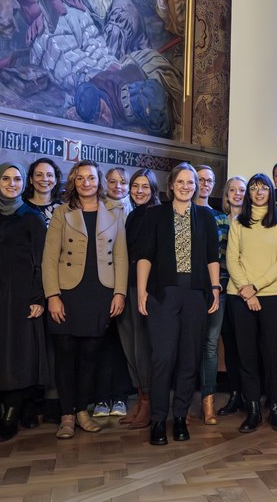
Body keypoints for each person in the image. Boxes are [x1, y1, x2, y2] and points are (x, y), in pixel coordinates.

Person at [135, 163, 222, 445]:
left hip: (196, 295)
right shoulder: (155, 215)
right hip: (163, 294)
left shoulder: (206, 217)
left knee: (189, 359)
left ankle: (181, 417)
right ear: (171, 185)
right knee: (163, 358)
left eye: (191, 182)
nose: (186, 186)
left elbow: (212, 257)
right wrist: (141, 290)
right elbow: (145, 256)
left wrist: (216, 288)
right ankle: (159, 420)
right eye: (181, 182)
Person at [42, 160, 128, 439]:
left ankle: (82, 411)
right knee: (66, 355)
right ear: (73, 182)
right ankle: (67, 415)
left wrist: (119, 292)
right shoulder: (61, 213)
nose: (86, 183)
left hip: (100, 292)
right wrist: (53, 296)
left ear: (98, 181)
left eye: (91, 178)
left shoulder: (114, 213)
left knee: (91, 355)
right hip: (68, 292)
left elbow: (122, 257)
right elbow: (49, 258)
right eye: (80, 178)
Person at [0, 162, 48, 444]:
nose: (12, 183)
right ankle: (1, 414)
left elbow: (42, 262)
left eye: (17, 179)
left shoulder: (31, 217)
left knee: (17, 359)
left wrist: (37, 297)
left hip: (22, 297)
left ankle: (9, 420)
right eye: (6, 178)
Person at [226, 173, 277, 432]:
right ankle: (253, 408)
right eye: (254, 188)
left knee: (274, 354)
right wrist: (246, 290)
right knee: (246, 354)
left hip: (272, 295)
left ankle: (275, 407)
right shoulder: (237, 223)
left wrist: (255, 287)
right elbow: (232, 259)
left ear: (270, 192)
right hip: (239, 296)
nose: (259, 191)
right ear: (249, 194)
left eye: (263, 187)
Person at [119, 168, 160, 429]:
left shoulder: (158, 214)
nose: (140, 191)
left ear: (153, 189)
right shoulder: (132, 215)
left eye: (145, 186)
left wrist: (144, 290)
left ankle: (149, 403)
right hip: (127, 285)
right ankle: (140, 398)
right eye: (136, 186)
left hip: (148, 289)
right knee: (130, 346)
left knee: (143, 347)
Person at [93, 166, 132, 419]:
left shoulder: (136, 210)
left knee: (123, 344)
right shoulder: (95, 209)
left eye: (123, 182)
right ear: (105, 183)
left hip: (129, 285)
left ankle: (120, 395)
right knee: (100, 342)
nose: (118, 186)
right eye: (113, 181)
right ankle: (99, 397)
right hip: (102, 283)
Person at [194, 164, 228, 425]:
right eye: (200, 179)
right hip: (186, 290)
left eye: (209, 180)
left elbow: (224, 257)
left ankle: (208, 403)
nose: (205, 184)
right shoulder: (179, 214)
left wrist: (218, 285)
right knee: (186, 344)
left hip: (218, 288)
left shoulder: (222, 218)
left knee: (209, 344)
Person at [216, 175, 247, 417]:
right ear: (226, 195)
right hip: (223, 288)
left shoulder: (254, 222)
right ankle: (235, 394)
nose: (237, 194)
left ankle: (251, 395)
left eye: (241, 190)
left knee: (248, 345)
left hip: (247, 290)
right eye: (232, 190)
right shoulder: (216, 221)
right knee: (231, 345)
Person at [23, 158, 64, 226]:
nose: (45, 179)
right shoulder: (20, 207)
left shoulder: (65, 209)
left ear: (56, 180)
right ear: (31, 179)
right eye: (39, 175)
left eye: (49, 175)